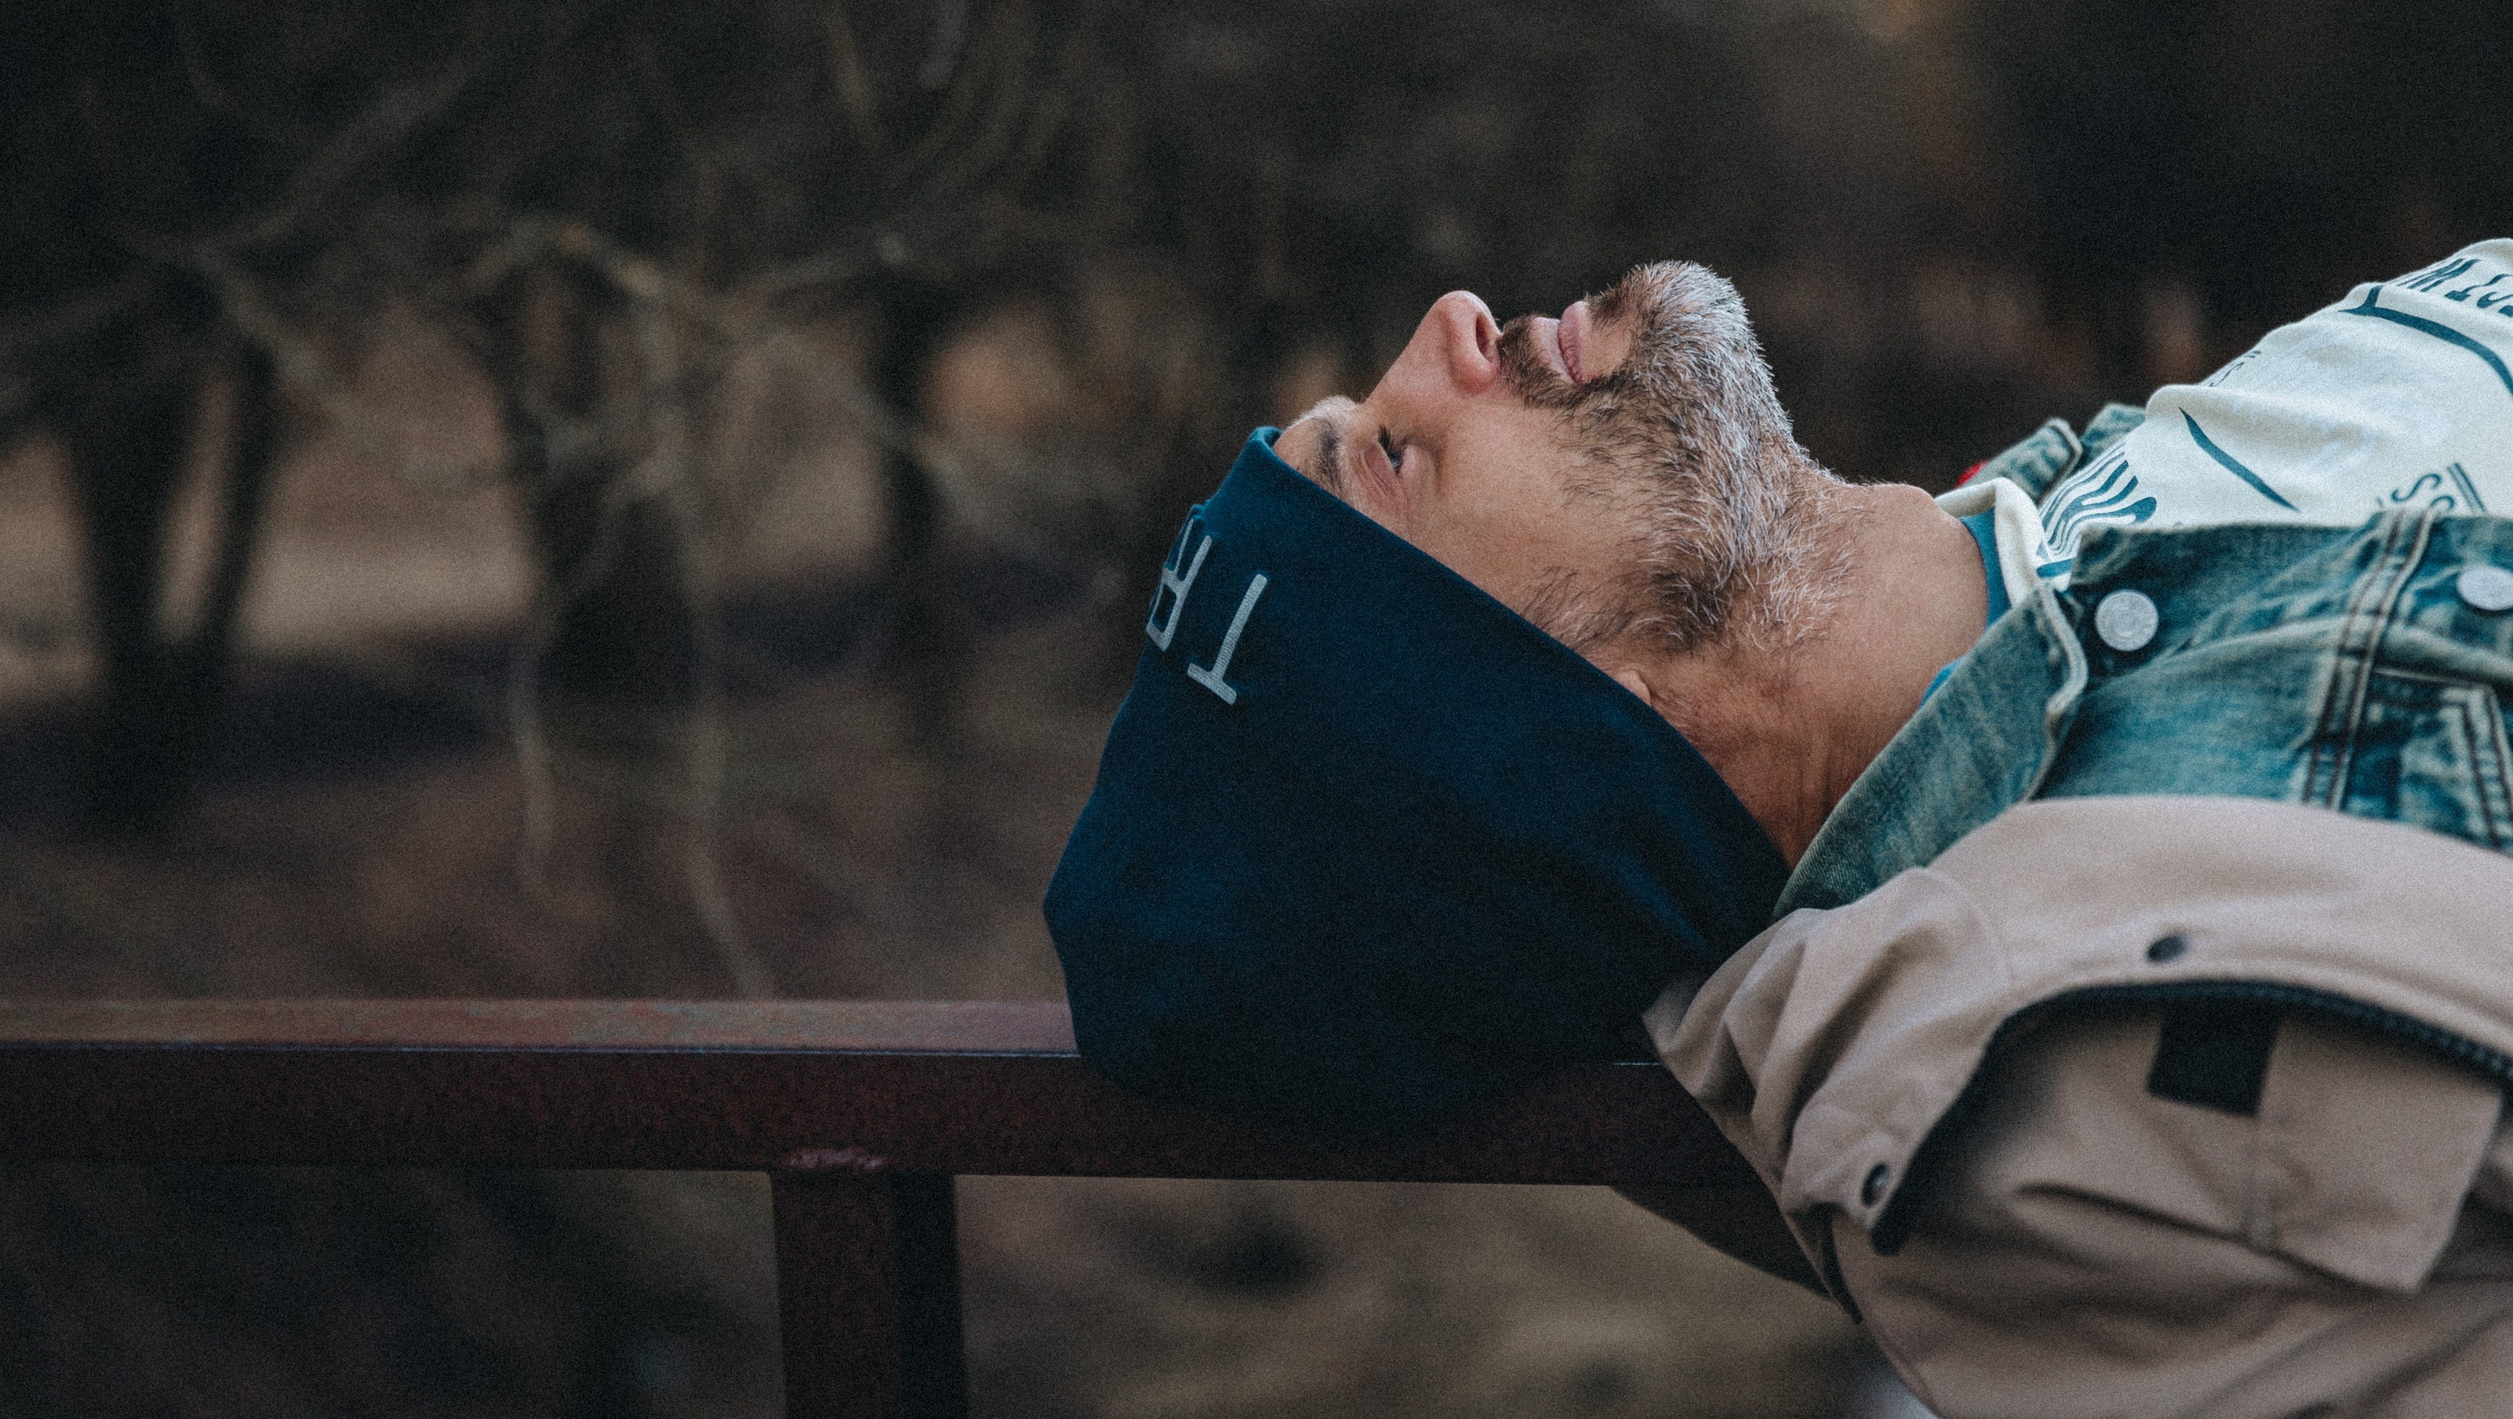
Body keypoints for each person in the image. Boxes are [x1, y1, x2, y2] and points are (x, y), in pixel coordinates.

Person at [1044, 242, 2513, 1413]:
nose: (1449, 327)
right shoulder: (2094, 1001)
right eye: (1395, 461)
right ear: (1568, 729)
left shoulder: (2063, 501)